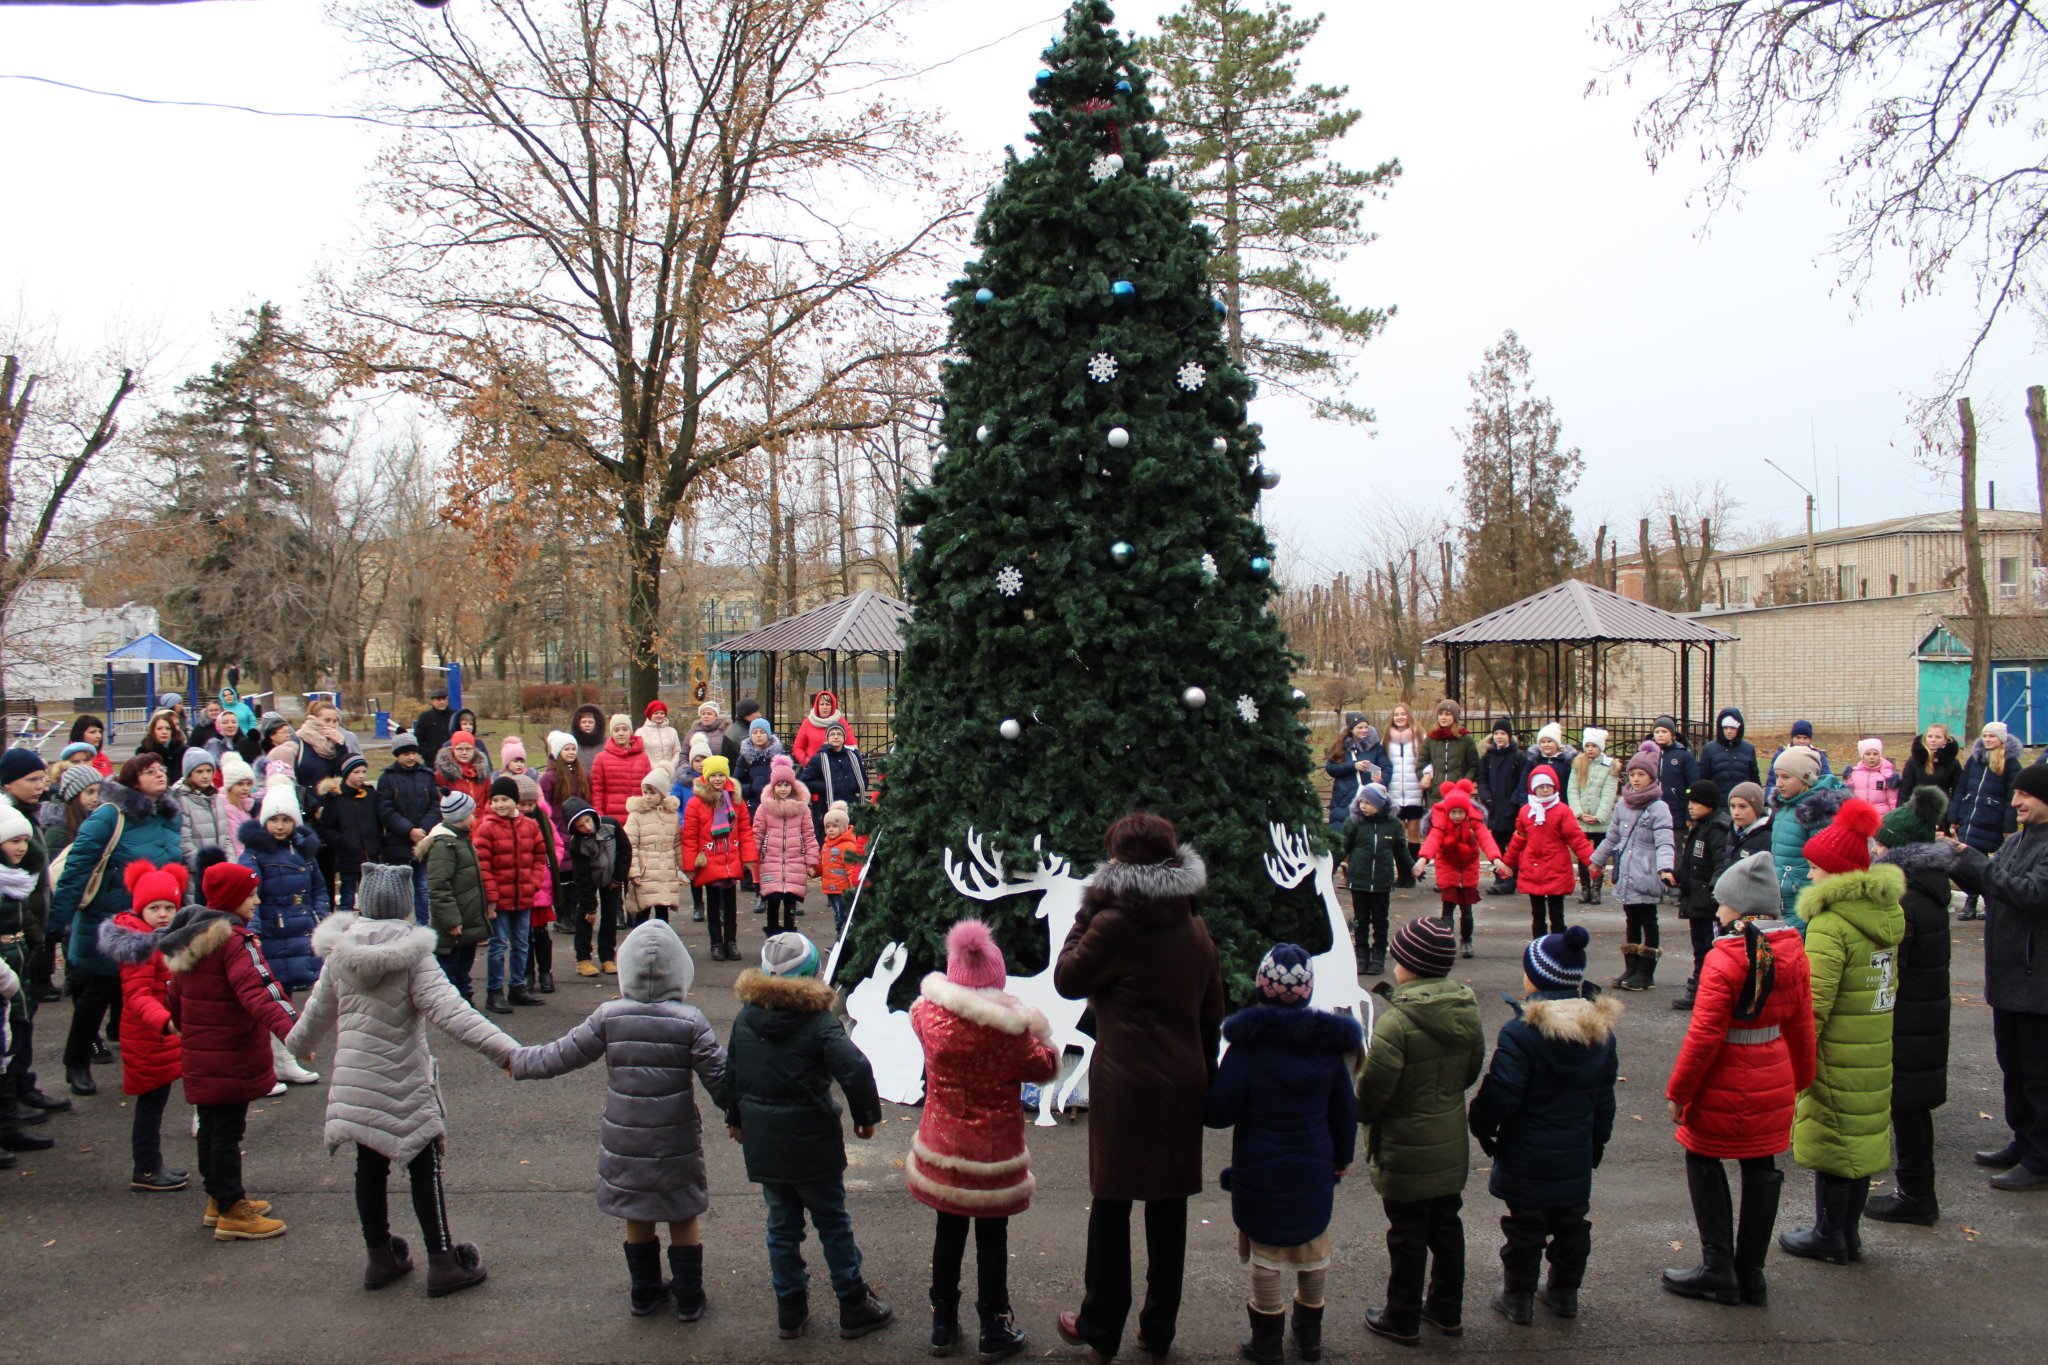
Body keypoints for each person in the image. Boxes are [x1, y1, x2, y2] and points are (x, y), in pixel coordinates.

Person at [285, 862, 514, 1296]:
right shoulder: (414, 957)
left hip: (356, 1081)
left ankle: (379, 1257)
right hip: (403, 1078)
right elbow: (453, 1012)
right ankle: (443, 1260)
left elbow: (316, 1012)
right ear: (407, 907)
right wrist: (506, 1051)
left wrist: (294, 1047)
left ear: (362, 903)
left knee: (368, 1167)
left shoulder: (339, 954)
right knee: (423, 1165)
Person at [1053, 815, 1225, 1365]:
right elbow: (1212, 1009)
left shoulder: (1114, 923)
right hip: (1181, 1078)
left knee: (1112, 1202)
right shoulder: (1194, 923)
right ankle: (1158, 1328)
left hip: (1126, 1080)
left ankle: (1100, 1323)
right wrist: (1206, 1074)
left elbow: (1067, 979)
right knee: (1168, 1206)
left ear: (1119, 863)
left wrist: (1085, 915)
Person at [513, 917, 729, 1320]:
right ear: (681, 972)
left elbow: (561, 1054)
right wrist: (740, 1115)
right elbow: (720, 1077)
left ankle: (644, 1291)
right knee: (682, 1210)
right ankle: (688, 1297)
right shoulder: (690, 1022)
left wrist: (517, 1062)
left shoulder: (608, 1016)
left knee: (637, 1208)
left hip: (625, 1140)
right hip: (675, 1139)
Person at [1659, 851, 1814, 1307]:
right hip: (1773, 1076)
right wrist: (1801, 1080)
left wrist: (1679, 1092)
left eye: (1723, 901)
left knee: (1702, 1159)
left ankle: (1717, 1267)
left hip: (1725, 1077)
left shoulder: (1725, 956)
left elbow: (1705, 1035)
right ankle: (1752, 1273)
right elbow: (1802, 1024)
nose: (1718, 908)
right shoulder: (1794, 950)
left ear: (1741, 907)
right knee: (1761, 1164)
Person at [724, 931, 892, 1342]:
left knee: (781, 1225)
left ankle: (790, 1307)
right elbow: (853, 1068)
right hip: (813, 1141)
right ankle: (853, 1303)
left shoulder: (746, 1018)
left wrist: (736, 1118)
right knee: (832, 1221)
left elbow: (733, 1073)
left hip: (765, 1142)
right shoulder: (818, 1022)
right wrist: (865, 1115)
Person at [908, 919, 1061, 1361]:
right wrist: (1035, 1023)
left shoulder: (927, 1016)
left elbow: (920, 1014)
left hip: (943, 1147)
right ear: (997, 980)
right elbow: (1047, 1065)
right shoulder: (1011, 1034)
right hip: (992, 1154)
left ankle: (942, 1323)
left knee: (948, 1230)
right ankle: (994, 1325)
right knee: (992, 1237)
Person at [1205, 944, 1361, 1364]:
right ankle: (1309, 1337)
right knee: (1312, 1245)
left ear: (1262, 988)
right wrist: (1341, 1158)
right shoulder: (1328, 1049)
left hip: (1260, 1168)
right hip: (1314, 1164)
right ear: (1308, 992)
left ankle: (1267, 1340)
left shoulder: (1247, 1048)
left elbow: (1219, 1112)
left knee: (1267, 1250)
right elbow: (1345, 1110)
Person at [1468, 926, 1621, 1325]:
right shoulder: (1601, 1035)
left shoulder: (1522, 1033)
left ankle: (1517, 1297)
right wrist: (1597, 1143)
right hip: (1575, 1151)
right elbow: (1605, 1098)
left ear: (1536, 978)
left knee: (1525, 1226)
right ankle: (1564, 1293)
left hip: (1527, 1152)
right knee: (1572, 1222)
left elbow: (1503, 1090)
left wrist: (1481, 1123)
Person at [1775, 797, 1902, 1263]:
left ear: (1836, 872)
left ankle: (1829, 1235)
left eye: (1815, 868)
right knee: (1860, 1137)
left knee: (1832, 1139)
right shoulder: (1884, 916)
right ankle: (1847, 1233)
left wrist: (1795, 1056)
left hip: (1835, 1050)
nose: (1810, 876)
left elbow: (1815, 1001)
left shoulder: (1830, 924)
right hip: (1873, 1042)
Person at [1354, 917, 1485, 1345]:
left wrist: (1364, 1114)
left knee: (1407, 1233)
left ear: (1411, 966)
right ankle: (1447, 1310)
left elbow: (1374, 1092)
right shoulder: (1466, 1012)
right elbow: (1469, 1073)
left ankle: (1402, 1314)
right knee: (1446, 1225)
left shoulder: (1396, 1025)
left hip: (1405, 1148)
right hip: (1449, 1143)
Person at [162, 861, 303, 1241]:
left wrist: (179, 1024)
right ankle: (231, 1208)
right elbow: (261, 990)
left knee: (212, 1126)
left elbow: (173, 993)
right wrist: (296, 1032)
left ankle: (218, 1198)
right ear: (232, 899)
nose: (257, 900)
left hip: (202, 1052)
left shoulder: (190, 938)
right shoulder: (236, 941)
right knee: (227, 1131)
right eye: (251, 894)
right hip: (230, 1054)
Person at [49, 752, 185, 1098]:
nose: (159, 775)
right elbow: (78, 866)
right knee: (100, 993)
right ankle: (76, 1061)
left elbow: (176, 864)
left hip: (155, 920)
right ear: (132, 778)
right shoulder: (109, 815)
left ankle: (143, 1063)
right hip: (108, 922)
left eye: (161, 770)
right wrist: (57, 923)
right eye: (149, 771)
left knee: (145, 995)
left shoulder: (167, 815)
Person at [1942, 760, 2048, 1193]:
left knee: (2040, 1075)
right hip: (2008, 980)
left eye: (2024, 795)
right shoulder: (2020, 840)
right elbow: (1990, 882)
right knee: (2014, 1068)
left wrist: (1976, 862)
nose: (2015, 801)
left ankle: (2042, 1160)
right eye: (2015, 794)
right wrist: (1957, 860)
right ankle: (2023, 1142)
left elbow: (2030, 894)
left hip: (2038, 983)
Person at [1864, 788, 1954, 1225]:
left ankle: (1917, 1195)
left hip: (1910, 1020)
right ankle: (1916, 1191)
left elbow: (1893, 959)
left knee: (1909, 1108)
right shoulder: (1927, 890)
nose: (1874, 851)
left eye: (1881, 845)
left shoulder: (1906, 900)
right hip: (1922, 1018)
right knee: (1910, 1107)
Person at [98, 859, 192, 1190]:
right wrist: (165, 1023)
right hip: (148, 1038)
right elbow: (136, 997)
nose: (163, 913)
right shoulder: (140, 947)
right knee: (150, 1108)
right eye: (155, 907)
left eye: (169, 906)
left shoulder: (164, 940)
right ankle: (147, 1169)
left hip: (162, 1037)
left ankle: (152, 1164)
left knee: (156, 1104)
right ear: (141, 908)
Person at [237, 776, 328, 1086]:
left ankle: (284, 1058)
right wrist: (254, 932)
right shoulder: (254, 854)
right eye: (273, 819)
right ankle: (266, 1064)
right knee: (267, 999)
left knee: (285, 996)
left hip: (299, 930)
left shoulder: (303, 851)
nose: (279, 825)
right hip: (272, 934)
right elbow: (249, 896)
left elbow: (319, 888)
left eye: (285, 819)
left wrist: (322, 918)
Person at [0, 799, 66, 1152]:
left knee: (17, 1035)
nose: (22, 847)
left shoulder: (15, 879)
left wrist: (37, 941)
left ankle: (12, 1117)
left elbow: (24, 914)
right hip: (4, 966)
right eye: (13, 841)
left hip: (19, 957)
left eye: (25, 841)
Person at [1590, 744, 1677, 991]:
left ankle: (1646, 971)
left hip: (1647, 872)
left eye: (1641, 775)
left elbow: (1665, 842)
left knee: (1648, 919)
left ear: (1652, 777)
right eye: (1632, 775)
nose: (1636, 780)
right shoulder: (1623, 804)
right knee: (1631, 920)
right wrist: (1597, 859)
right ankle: (1631, 966)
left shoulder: (1658, 807)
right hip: (1627, 872)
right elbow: (1612, 836)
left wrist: (1665, 869)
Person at [472, 776, 548, 1014]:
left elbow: (539, 856)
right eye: (495, 800)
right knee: (497, 946)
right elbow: (483, 866)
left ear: (515, 801)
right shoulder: (487, 828)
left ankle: (518, 986)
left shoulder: (529, 826)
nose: (499, 804)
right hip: (499, 900)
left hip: (523, 896)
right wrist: (491, 897)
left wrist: (533, 882)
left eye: (504, 799)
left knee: (522, 944)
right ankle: (494, 991)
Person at [1413, 781, 1508, 958]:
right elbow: (1433, 840)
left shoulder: (1474, 823)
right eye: (1453, 812)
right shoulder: (1440, 823)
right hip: (1448, 868)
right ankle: (1446, 943)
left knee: (1467, 911)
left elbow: (1486, 840)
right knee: (1447, 910)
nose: (1457, 816)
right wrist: (1422, 860)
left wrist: (1496, 860)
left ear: (1467, 812)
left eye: (1461, 812)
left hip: (1468, 870)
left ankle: (1467, 940)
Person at [1501, 764, 1597, 939]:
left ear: (1555, 787)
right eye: (1540, 787)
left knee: (1557, 915)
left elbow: (1577, 839)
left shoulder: (1562, 811)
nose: (1545, 790)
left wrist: (1592, 862)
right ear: (1533, 789)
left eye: (1548, 786)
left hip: (1556, 868)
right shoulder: (1525, 812)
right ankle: (1538, 948)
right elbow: (1518, 840)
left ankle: (1559, 947)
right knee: (1537, 916)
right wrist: (1507, 863)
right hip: (1532, 869)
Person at [682, 756, 756, 963]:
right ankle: (716, 942)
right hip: (708, 856)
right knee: (713, 902)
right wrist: (690, 864)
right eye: (713, 775)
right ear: (706, 777)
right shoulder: (696, 803)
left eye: (721, 775)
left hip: (729, 855)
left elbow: (744, 830)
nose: (717, 779)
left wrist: (748, 857)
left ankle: (731, 942)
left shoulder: (735, 799)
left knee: (731, 903)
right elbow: (689, 835)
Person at [1767, 746, 1846, 929]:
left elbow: (1824, 863)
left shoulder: (1817, 813)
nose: (1778, 783)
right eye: (1777, 776)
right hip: (1783, 899)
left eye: (1786, 777)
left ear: (1806, 779)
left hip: (1804, 900)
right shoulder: (1784, 808)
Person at [1340, 782, 1413, 977]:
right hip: (1359, 880)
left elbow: (1401, 850)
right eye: (1361, 801)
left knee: (1380, 920)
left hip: (1381, 881)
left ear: (1381, 805)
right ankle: (1361, 953)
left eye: (1368, 802)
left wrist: (1412, 867)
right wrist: (1331, 864)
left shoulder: (1393, 825)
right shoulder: (1354, 822)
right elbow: (1342, 846)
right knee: (1361, 919)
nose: (1363, 806)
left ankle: (1378, 954)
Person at [1674, 779, 1735, 1010]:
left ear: (1709, 804)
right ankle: (1698, 988)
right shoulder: (1698, 827)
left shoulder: (1717, 829)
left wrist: (1714, 889)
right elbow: (1690, 863)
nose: (1691, 806)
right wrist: (1677, 876)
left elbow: (1721, 863)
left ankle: (1708, 990)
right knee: (1699, 947)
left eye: (1696, 802)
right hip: (1695, 900)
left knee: (1711, 947)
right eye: (1690, 801)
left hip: (1708, 902)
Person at [422, 792, 489, 1002]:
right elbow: (439, 886)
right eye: (471, 813)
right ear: (462, 816)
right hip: (456, 922)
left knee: (463, 969)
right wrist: (451, 919)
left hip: (466, 919)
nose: (474, 817)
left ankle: (465, 1003)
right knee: (451, 969)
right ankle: (455, 1006)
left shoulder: (460, 840)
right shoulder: (445, 845)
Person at [1948, 721, 2017, 920]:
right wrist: (1955, 815)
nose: (1987, 740)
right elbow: (1961, 789)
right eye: (1985, 736)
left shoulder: (2010, 763)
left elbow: (2012, 796)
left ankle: (1988, 900)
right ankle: (1971, 898)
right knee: (1965, 861)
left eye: (1992, 736)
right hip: (1970, 817)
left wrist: (2008, 825)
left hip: (1991, 820)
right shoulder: (1975, 760)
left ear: (2001, 739)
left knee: (1983, 862)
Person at [376, 731, 440, 927]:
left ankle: (422, 925)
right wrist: (409, 830)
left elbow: (435, 805)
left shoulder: (426, 775)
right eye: (406, 754)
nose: (411, 757)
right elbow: (386, 810)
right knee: (399, 889)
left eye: (413, 753)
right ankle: (398, 926)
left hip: (423, 841)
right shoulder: (387, 779)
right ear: (397, 755)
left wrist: (422, 830)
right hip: (398, 842)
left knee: (422, 886)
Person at [752, 757, 817, 937]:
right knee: (772, 900)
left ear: (792, 787)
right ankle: (773, 933)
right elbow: (757, 833)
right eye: (779, 785)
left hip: (795, 860)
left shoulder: (802, 809)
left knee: (791, 902)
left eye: (786, 785)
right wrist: (752, 857)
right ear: (773, 787)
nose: (783, 789)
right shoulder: (765, 809)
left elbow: (809, 835)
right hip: (770, 861)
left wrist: (812, 861)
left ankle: (790, 933)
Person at [562, 797, 627, 976]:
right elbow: (582, 877)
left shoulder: (611, 825)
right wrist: (590, 907)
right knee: (585, 916)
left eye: (588, 821)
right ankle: (583, 958)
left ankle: (607, 957)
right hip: (590, 879)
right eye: (581, 826)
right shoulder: (577, 845)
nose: (588, 827)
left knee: (610, 916)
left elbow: (625, 851)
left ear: (593, 816)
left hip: (612, 878)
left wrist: (618, 878)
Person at [512, 774, 562, 994]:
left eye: (530, 804)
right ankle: (527, 972)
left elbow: (557, 845)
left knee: (541, 933)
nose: (526, 809)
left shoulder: (543, 819)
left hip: (542, 882)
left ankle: (545, 972)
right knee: (522, 935)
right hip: (520, 885)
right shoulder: (510, 823)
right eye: (522, 804)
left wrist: (550, 864)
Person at [317, 755, 382, 915]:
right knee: (347, 897)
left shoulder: (370, 794)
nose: (361, 776)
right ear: (346, 774)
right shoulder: (336, 799)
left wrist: (378, 842)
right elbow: (326, 827)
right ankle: (344, 931)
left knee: (370, 899)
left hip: (370, 854)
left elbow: (378, 821)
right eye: (356, 772)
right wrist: (341, 840)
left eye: (364, 772)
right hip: (348, 856)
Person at [623, 766, 684, 929]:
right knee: (643, 910)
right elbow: (630, 845)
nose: (648, 797)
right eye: (645, 792)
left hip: (666, 870)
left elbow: (677, 842)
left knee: (663, 911)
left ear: (662, 794)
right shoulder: (636, 815)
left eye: (653, 792)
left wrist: (684, 866)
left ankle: (662, 942)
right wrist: (633, 871)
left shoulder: (672, 816)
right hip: (645, 870)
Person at [1477, 719, 1527, 896]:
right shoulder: (1488, 757)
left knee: (1513, 847)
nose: (1499, 737)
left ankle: (1511, 879)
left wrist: (1514, 802)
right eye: (1496, 733)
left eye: (1503, 734)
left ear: (1509, 736)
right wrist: (1486, 797)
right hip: (1494, 808)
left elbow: (1522, 782)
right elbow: (1481, 778)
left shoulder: (1518, 758)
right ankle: (1501, 877)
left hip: (1512, 810)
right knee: (1497, 846)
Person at [1567, 729, 1617, 905]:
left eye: (1594, 745)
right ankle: (1585, 889)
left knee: (1599, 856)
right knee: (1582, 856)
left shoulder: (1609, 766)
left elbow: (1609, 793)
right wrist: (1578, 813)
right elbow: (1572, 790)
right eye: (1587, 745)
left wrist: (1600, 816)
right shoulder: (1578, 764)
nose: (1590, 749)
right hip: (1582, 820)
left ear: (1601, 747)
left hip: (1600, 821)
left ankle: (1597, 889)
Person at [799, 721, 867, 842]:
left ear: (844, 737)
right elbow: (804, 781)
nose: (836, 737)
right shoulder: (819, 758)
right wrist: (827, 786)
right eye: (832, 734)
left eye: (839, 734)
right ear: (827, 738)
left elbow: (863, 781)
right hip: (827, 807)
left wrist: (852, 785)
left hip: (851, 808)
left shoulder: (853, 756)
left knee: (851, 844)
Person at [1420, 700, 1480, 823]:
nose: (1443, 717)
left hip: (1458, 795)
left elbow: (1474, 766)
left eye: (1447, 714)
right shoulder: (1431, 738)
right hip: (1435, 794)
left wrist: (1463, 784)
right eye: (1441, 714)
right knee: (1437, 831)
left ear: (1454, 716)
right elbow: (1421, 762)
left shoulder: (1465, 739)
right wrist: (1427, 777)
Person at [1324, 713, 1386, 831]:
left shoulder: (1376, 747)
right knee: (1342, 832)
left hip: (1368, 797)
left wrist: (1380, 779)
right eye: (1360, 727)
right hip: (1343, 798)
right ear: (1351, 729)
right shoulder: (1340, 746)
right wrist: (1353, 766)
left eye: (1366, 727)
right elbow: (1331, 769)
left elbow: (1385, 767)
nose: (1364, 730)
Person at [591, 714, 651, 825]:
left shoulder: (643, 757)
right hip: (611, 820)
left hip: (639, 818)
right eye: (616, 730)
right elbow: (596, 792)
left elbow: (651, 788)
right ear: (611, 733)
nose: (621, 733)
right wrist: (599, 817)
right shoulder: (600, 759)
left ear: (631, 732)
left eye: (625, 729)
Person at [1382, 703, 1426, 854]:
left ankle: (1414, 868)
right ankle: (1402, 868)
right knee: (1398, 832)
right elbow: (1383, 762)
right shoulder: (1387, 738)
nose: (1400, 717)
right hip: (1394, 792)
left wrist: (1427, 774)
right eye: (1396, 714)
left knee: (1413, 831)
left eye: (1403, 714)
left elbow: (1427, 760)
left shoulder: (1420, 736)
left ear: (1409, 715)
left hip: (1415, 791)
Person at [820, 803, 866, 939]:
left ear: (843, 827)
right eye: (828, 827)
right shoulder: (826, 845)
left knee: (843, 916)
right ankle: (840, 940)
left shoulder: (847, 845)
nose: (831, 830)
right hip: (830, 889)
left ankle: (842, 941)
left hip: (843, 889)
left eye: (834, 826)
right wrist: (815, 870)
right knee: (837, 915)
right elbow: (823, 864)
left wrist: (854, 884)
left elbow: (851, 867)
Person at [1649, 714, 1700, 831]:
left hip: (1676, 814)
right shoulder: (1647, 754)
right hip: (1650, 812)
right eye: (1657, 732)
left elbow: (1692, 785)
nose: (1660, 735)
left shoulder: (1683, 755)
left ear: (1672, 734)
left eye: (1664, 731)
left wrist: (1689, 815)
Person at [1764, 720, 1833, 806]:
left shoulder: (1817, 755)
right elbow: (1772, 780)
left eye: (1805, 738)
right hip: (1783, 799)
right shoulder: (1781, 754)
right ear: (1792, 738)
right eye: (1798, 737)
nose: (1801, 741)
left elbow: (1825, 777)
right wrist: (1769, 801)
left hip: (1809, 800)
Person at [1698, 708, 1759, 799]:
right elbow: (1702, 779)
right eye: (1725, 728)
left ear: (1739, 728)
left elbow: (1754, 778)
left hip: (1742, 801)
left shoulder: (1748, 749)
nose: (1729, 731)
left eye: (1732, 728)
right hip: (1717, 804)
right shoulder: (1709, 749)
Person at [1901, 723, 1962, 816]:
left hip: (1942, 811)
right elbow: (1905, 789)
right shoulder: (1914, 760)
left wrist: (1953, 814)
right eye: (1930, 736)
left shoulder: (1952, 763)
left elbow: (1957, 790)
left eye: (1938, 737)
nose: (1933, 740)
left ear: (1945, 740)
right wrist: (1903, 812)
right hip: (1917, 810)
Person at [540, 731, 590, 842]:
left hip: (580, 825)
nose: (571, 752)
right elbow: (544, 805)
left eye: (573, 749)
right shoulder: (549, 778)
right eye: (566, 749)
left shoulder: (583, 774)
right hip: (559, 828)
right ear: (558, 752)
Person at [792, 690, 857, 769]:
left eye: (828, 704)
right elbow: (797, 747)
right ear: (817, 706)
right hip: (813, 768)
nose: (824, 707)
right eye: (821, 704)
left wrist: (842, 761)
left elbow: (852, 746)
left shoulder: (840, 721)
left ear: (832, 706)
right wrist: (807, 762)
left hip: (837, 768)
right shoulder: (807, 722)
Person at [434, 729, 493, 812]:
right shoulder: (443, 774)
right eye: (459, 749)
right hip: (457, 820)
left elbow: (489, 798)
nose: (464, 752)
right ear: (453, 749)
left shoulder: (483, 772)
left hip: (482, 821)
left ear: (473, 749)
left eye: (468, 749)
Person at [736, 717, 784, 815]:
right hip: (753, 806)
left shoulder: (779, 756)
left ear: (768, 734)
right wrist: (751, 788)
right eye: (755, 732)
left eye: (762, 732)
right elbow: (736, 783)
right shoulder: (744, 757)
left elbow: (789, 779)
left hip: (776, 804)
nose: (758, 736)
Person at [1845, 739, 1900, 813]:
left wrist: (1894, 815)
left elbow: (1893, 799)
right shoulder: (1853, 774)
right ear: (1862, 756)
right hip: (1859, 815)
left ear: (1879, 755)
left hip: (1881, 816)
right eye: (1868, 754)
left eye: (1875, 754)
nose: (1872, 757)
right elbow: (1848, 797)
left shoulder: (1887, 775)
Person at [136, 708, 188, 775]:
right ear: (153, 731)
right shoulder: (143, 753)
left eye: (168, 728)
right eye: (159, 729)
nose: (164, 732)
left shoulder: (184, 751)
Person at [689, 699, 740, 768]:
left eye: (709, 714)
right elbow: (684, 754)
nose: (706, 716)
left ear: (716, 716)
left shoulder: (726, 731)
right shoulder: (693, 732)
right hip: (697, 773)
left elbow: (733, 755)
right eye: (703, 714)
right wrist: (686, 771)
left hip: (720, 771)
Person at [637, 700, 683, 775]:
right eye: (656, 713)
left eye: (662, 713)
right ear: (650, 715)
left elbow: (677, 752)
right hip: (649, 773)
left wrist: (671, 766)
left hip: (670, 774)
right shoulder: (640, 732)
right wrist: (655, 768)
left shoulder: (672, 731)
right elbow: (640, 754)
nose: (659, 715)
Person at [1729, 781, 1772, 857]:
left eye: (1742, 806)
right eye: (1732, 806)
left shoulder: (1768, 838)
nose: (1736, 812)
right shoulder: (1731, 834)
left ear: (1756, 808)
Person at [570, 704, 609, 778]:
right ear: (578, 723)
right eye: (584, 722)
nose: (587, 725)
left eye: (590, 722)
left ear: (596, 724)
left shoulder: (607, 743)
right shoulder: (570, 742)